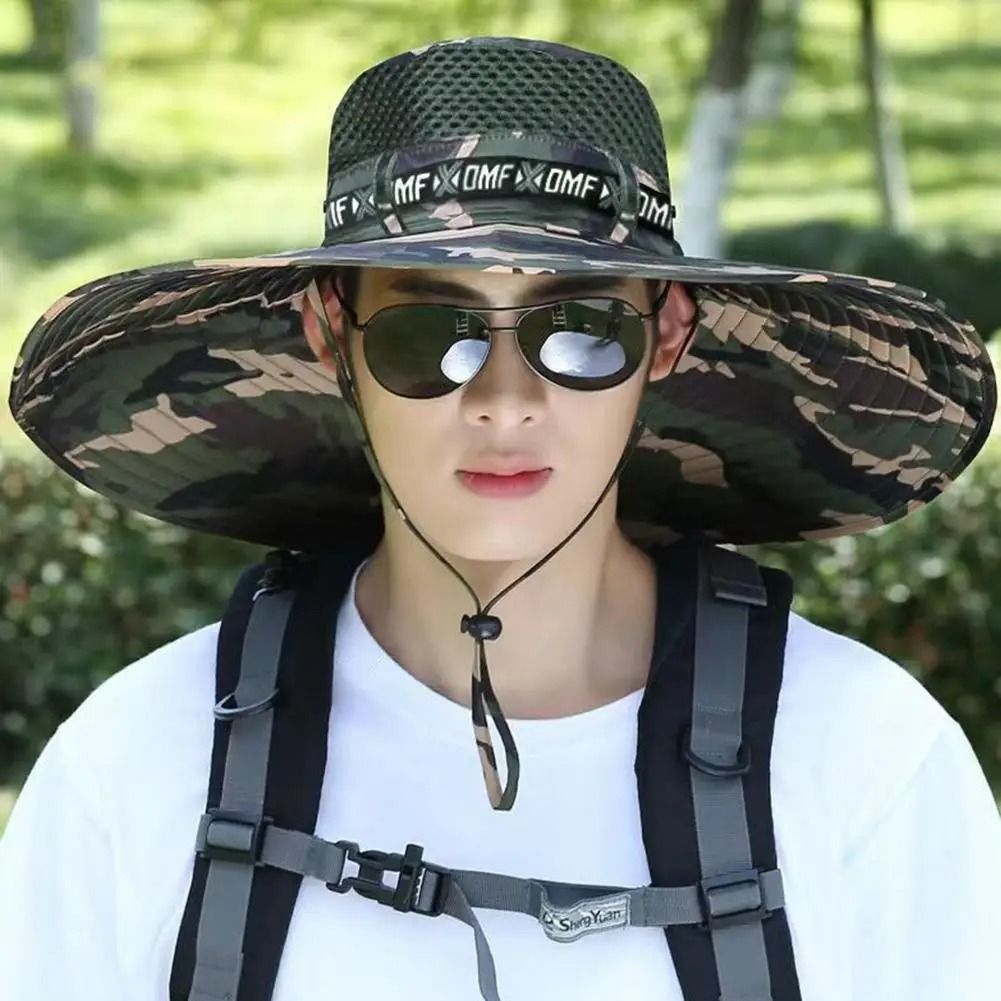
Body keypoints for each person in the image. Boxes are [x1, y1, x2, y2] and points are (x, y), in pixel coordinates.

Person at [2, 34, 1000, 1001]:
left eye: (581, 328)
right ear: (330, 332)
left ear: (664, 332)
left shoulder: (862, 761)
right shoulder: (139, 765)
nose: (505, 402)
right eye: (429, 331)